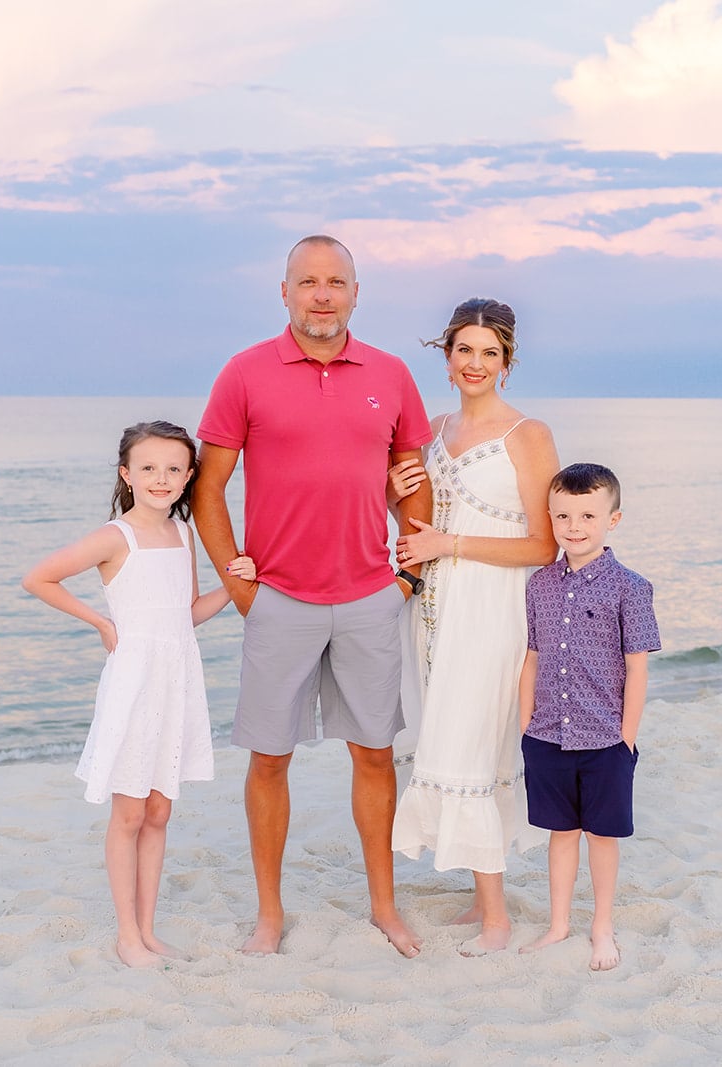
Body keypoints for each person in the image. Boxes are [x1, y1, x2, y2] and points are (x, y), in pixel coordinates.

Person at [192, 235, 434, 958]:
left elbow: (413, 479)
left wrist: (407, 577)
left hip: (369, 597)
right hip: (280, 601)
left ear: (356, 292)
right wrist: (242, 588)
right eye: (308, 282)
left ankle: (384, 906)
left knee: (375, 754)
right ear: (286, 291)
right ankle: (270, 915)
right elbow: (209, 488)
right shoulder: (244, 372)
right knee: (269, 758)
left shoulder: (390, 374)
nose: (321, 294)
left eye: (336, 281)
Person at [22, 420, 254, 969]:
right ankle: (126, 934)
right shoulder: (114, 536)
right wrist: (101, 624)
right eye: (148, 467)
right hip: (133, 682)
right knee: (128, 814)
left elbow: (186, 614)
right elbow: (39, 578)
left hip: (176, 681)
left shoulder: (184, 534)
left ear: (190, 475)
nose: (162, 478)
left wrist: (237, 582)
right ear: (127, 474)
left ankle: (149, 931)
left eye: (175, 468)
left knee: (158, 812)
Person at [385, 298, 559, 956]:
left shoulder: (528, 434)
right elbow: (410, 520)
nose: (476, 363)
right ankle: (481, 897)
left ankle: (496, 920)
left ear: (507, 364)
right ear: (447, 355)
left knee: (468, 744)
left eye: (490, 353)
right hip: (432, 607)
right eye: (465, 350)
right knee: (447, 737)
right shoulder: (429, 429)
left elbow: (543, 544)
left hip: (491, 605)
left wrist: (449, 545)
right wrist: (389, 487)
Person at [517, 462, 661, 971]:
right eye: (562, 516)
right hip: (547, 734)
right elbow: (531, 658)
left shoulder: (631, 587)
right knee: (560, 834)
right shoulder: (538, 585)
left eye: (586, 515)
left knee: (602, 836)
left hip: (605, 739)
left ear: (612, 520)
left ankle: (602, 926)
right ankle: (558, 925)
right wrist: (524, 729)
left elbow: (637, 668)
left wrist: (626, 739)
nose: (573, 526)